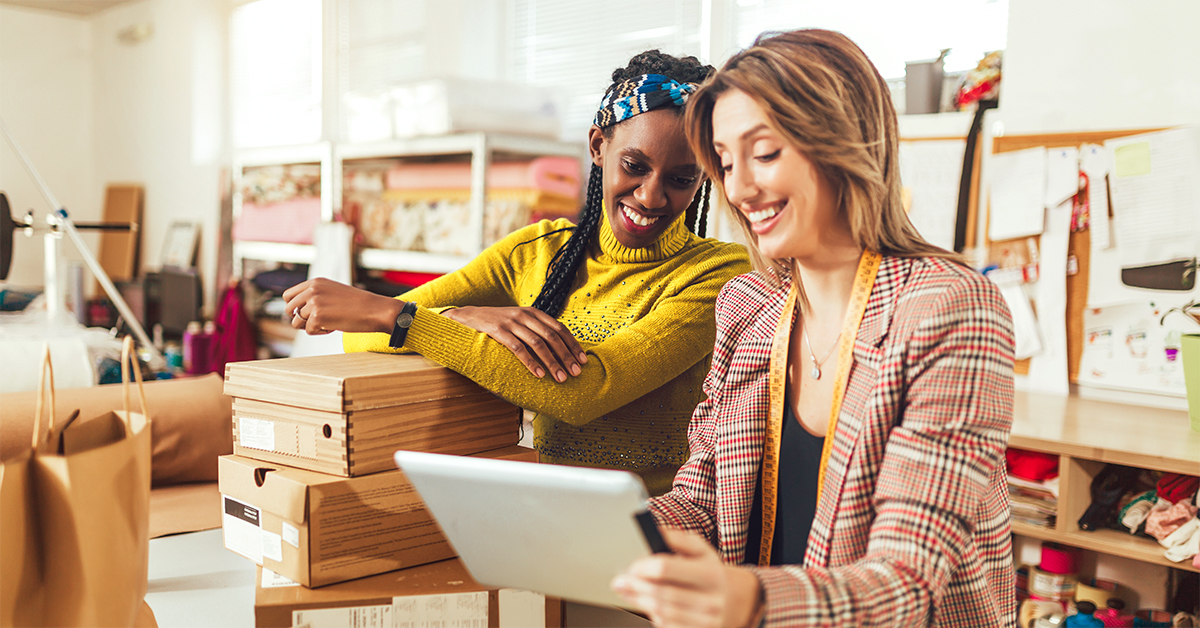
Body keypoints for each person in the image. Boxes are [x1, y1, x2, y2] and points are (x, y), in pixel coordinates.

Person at [611, 30, 1016, 627]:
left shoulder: (948, 307)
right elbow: (702, 500)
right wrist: (607, 534)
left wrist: (747, 600)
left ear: (843, 142)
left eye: (766, 153)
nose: (740, 188)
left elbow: (906, 582)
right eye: (724, 163)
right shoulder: (748, 306)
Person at [282, 51, 750, 496]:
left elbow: (589, 389)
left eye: (681, 179)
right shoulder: (538, 250)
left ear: (704, 177)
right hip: (542, 514)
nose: (651, 197)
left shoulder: (717, 274)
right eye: (634, 165)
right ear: (598, 147)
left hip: (659, 528)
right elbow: (359, 334)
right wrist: (461, 315)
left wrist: (407, 320)